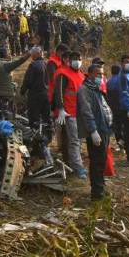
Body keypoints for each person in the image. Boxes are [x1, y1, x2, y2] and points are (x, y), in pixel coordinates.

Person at [77, 63, 113, 201]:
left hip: (104, 129)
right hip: (96, 131)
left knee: (102, 160)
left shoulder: (96, 88)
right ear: (90, 74)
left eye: (102, 74)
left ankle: (100, 188)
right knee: (97, 162)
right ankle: (97, 194)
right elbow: (87, 113)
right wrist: (93, 131)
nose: (101, 77)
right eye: (98, 74)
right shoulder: (84, 90)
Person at [51, 51, 87, 179]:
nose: (77, 61)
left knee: (77, 140)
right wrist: (60, 108)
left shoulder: (81, 74)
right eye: (75, 59)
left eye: (79, 58)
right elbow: (58, 92)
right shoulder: (63, 74)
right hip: (69, 113)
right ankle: (78, 167)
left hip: (81, 113)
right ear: (69, 60)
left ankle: (74, 163)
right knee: (74, 141)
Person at [20, 46, 53, 165]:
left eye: (32, 54)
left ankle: (37, 146)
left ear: (36, 54)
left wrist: (22, 91)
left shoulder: (33, 66)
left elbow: (27, 81)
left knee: (34, 120)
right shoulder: (48, 64)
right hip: (46, 95)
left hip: (35, 96)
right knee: (47, 119)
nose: (31, 56)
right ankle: (47, 141)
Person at [108, 55, 129, 162]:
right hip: (128, 109)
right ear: (122, 63)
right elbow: (124, 93)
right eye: (127, 62)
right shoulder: (123, 76)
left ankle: (127, 148)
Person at [0, 47, 31, 114]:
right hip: (7, 96)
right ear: (5, 55)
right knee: (10, 117)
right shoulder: (6, 66)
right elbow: (20, 61)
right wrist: (31, 52)